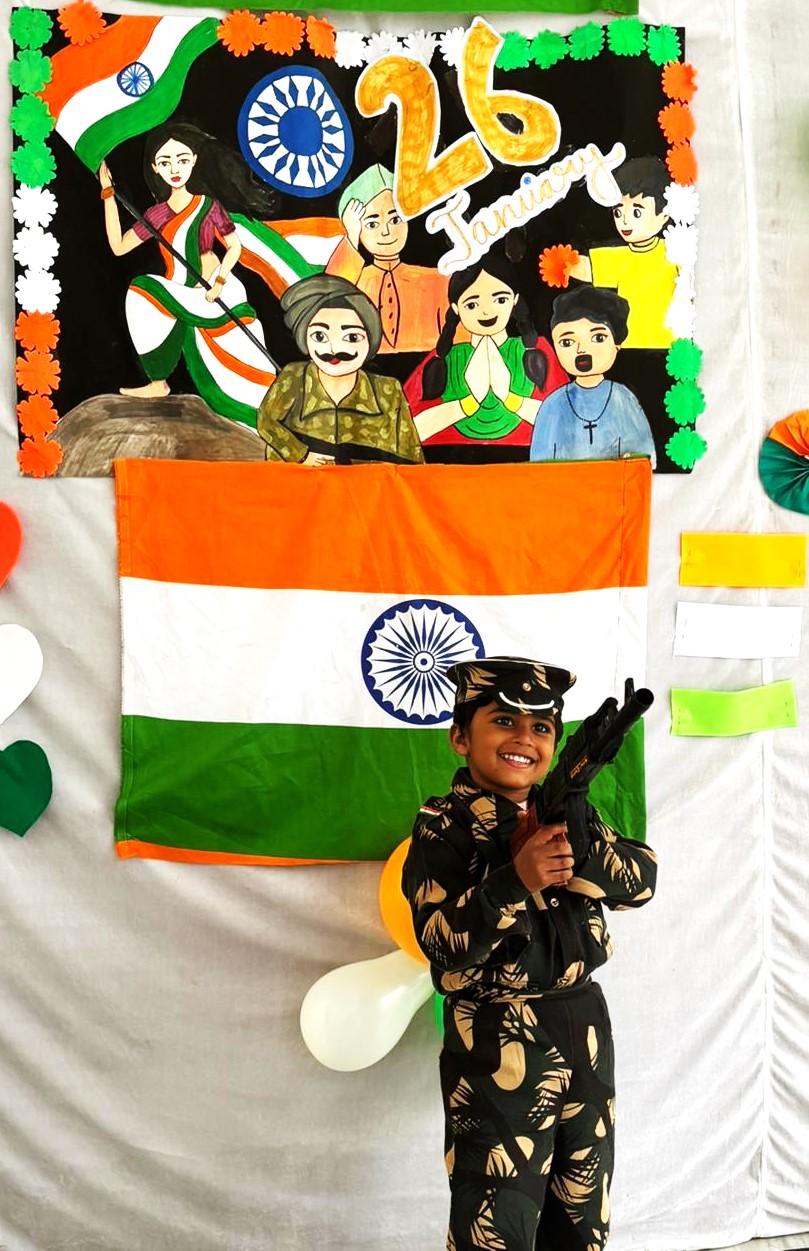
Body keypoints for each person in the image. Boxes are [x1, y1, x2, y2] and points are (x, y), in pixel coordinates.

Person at [402, 656, 657, 1251]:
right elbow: (440, 943)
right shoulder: (443, 826)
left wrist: (582, 849)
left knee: (582, 1214)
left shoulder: (566, 812)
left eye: (541, 727)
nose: (524, 738)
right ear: (460, 737)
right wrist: (514, 879)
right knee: (497, 1218)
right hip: (496, 1033)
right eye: (503, 721)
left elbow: (640, 884)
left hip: (582, 1022)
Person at [99, 121, 277, 427]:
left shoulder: (208, 207)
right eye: (165, 162)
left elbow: (234, 247)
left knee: (247, 370)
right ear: (155, 168)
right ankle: (158, 382)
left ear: (193, 160)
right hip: (180, 292)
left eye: (182, 160)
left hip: (217, 292)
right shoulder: (157, 214)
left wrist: (219, 281)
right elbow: (118, 247)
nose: (175, 168)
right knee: (140, 292)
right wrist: (107, 194)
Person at [405, 256, 566, 458]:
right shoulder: (444, 357)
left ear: (515, 300)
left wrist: (510, 399)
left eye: (500, 300)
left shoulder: (536, 350)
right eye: (472, 305)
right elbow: (406, 430)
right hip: (450, 464)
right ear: (456, 308)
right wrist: (468, 403)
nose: (486, 311)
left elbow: (565, 422)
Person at [257, 273, 423, 465]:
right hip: (297, 480)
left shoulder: (388, 390)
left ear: (370, 341)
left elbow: (411, 454)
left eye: (352, 337)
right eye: (320, 336)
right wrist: (301, 455)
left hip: (367, 482)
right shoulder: (294, 376)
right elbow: (266, 421)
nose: (334, 349)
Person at [325, 164, 448, 353]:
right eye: (372, 224)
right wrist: (350, 238)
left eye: (395, 220)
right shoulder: (352, 284)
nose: (386, 232)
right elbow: (326, 303)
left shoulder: (438, 282)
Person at [530, 286, 657, 466]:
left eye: (598, 338)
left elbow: (644, 461)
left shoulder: (623, 400)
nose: (582, 350)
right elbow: (538, 468)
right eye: (567, 342)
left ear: (617, 344)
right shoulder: (553, 406)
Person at [561, 156, 677, 349]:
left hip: (670, 348)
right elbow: (586, 268)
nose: (624, 221)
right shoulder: (620, 257)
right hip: (628, 348)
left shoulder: (676, 250)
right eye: (618, 212)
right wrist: (558, 263)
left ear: (665, 214)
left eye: (636, 212)